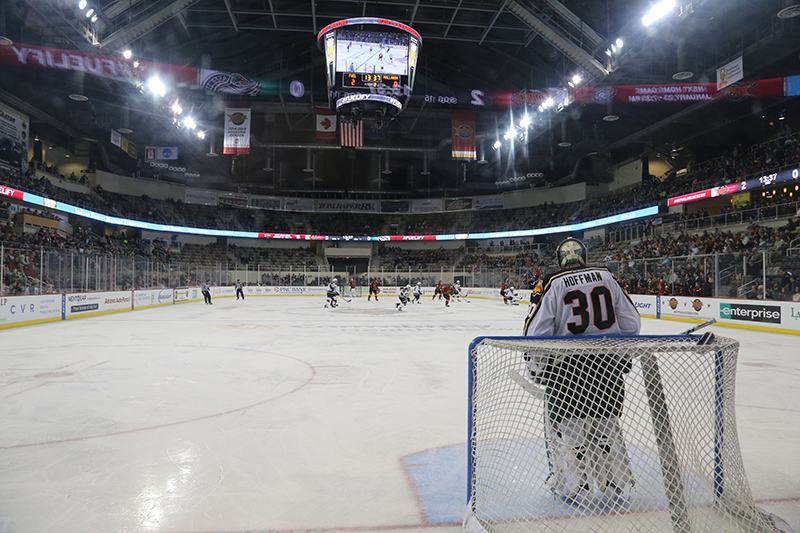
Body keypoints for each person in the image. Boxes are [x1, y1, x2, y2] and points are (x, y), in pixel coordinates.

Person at [523, 237, 641, 503]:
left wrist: (536, 369)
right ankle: (615, 488)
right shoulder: (606, 276)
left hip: (567, 372)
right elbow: (631, 322)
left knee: (570, 433)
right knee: (607, 429)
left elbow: (536, 333)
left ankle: (577, 490)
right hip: (606, 369)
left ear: (559, 260)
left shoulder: (552, 282)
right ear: (584, 256)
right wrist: (622, 354)